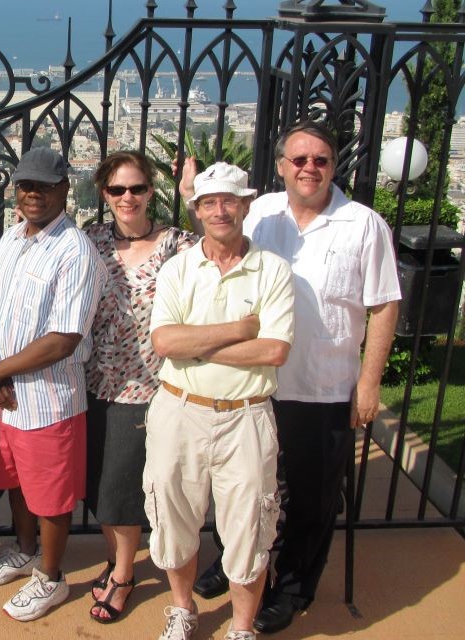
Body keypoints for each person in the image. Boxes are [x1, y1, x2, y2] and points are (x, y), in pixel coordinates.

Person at [181, 120, 401, 634]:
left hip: (325, 387)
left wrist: (368, 385)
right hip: (258, 384)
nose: (309, 168)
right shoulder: (261, 213)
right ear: (281, 166)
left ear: (333, 166)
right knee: (244, 488)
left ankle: (295, 586)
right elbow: (219, 246)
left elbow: (385, 305)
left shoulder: (364, 225)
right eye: (298, 159)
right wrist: (192, 196)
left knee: (311, 496)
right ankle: (235, 564)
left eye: (320, 159)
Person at [147, 162, 294, 640]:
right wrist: (237, 330)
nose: (220, 210)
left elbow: (273, 350)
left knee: (250, 525)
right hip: (180, 410)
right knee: (173, 515)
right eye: (209, 202)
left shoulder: (272, 270)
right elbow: (165, 343)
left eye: (229, 200)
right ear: (197, 210)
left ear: (246, 205)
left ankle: (242, 627)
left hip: (246, 417)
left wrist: (198, 341)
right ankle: (183, 609)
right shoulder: (178, 268)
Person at [0, 147, 107, 622]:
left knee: (51, 495)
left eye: (44, 186)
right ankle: (26, 550)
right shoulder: (12, 238)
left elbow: (65, 339)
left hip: (49, 399)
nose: (33, 194)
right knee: (16, 480)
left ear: (64, 189)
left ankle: (51, 577)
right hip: (5, 396)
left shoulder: (75, 252)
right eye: (26, 185)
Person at [83, 150, 197, 624]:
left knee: (120, 488)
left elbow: (222, 246)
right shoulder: (91, 242)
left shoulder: (175, 244)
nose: (127, 197)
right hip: (92, 383)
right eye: (116, 189)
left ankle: (124, 575)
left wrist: (191, 196)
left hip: (147, 387)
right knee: (97, 486)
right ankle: (117, 561)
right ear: (104, 194)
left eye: (136, 188)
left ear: (151, 191)